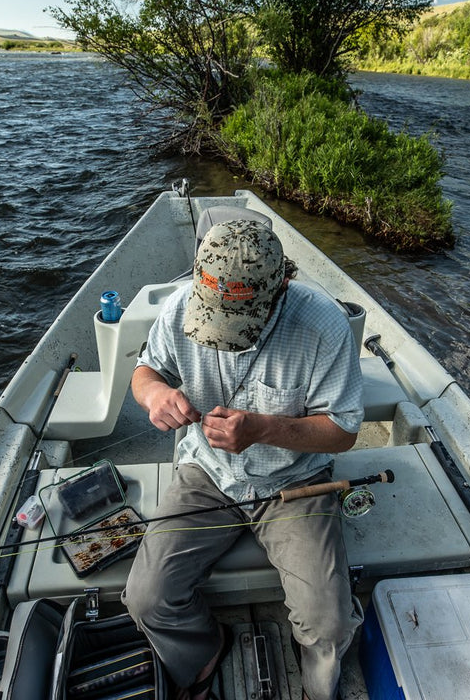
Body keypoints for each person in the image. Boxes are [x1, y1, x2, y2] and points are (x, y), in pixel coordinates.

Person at [122, 213, 364, 700]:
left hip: (296, 484)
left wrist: (263, 428)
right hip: (206, 473)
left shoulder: (324, 325)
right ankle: (204, 651)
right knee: (147, 598)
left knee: (329, 623)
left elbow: (342, 433)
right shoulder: (178, 307)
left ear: (282, 285)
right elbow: (145, 372)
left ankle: (318, 688)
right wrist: (154, 397)